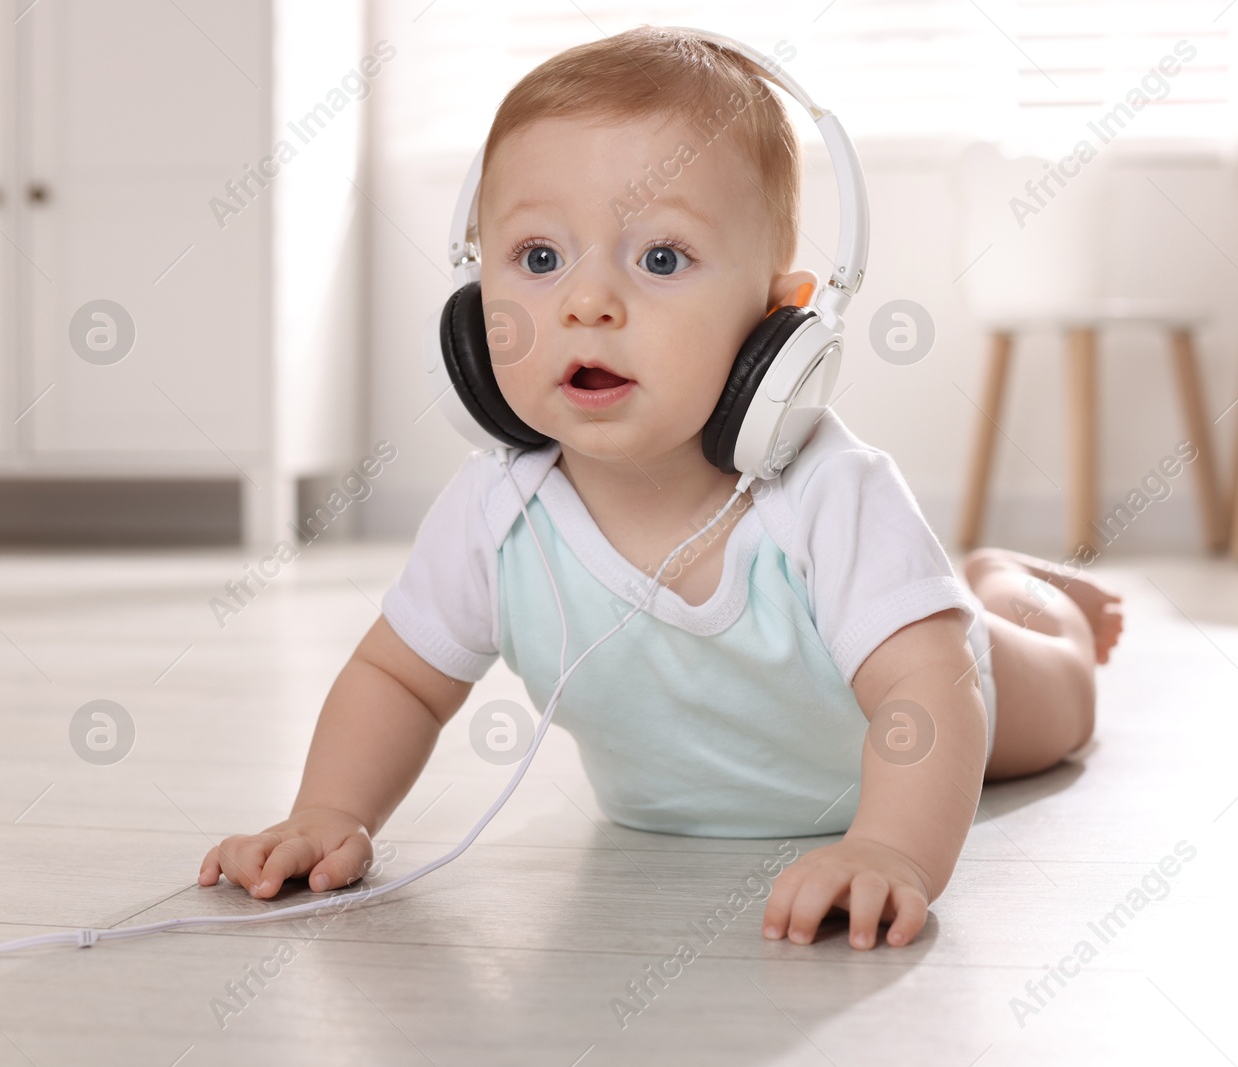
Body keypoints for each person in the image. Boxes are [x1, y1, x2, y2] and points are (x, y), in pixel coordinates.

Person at [198, 26, 1123, 952]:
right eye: (539, 257)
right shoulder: (494, 515)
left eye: (662, 258)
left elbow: (930, 690)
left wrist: (890, 848)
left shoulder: (831, 494)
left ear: (778, 322)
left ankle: (1021, 594)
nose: (586, 302)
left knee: (1060, 685)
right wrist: (329, 810)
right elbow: (399, 677)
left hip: (956, 717)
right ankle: (982, 582)